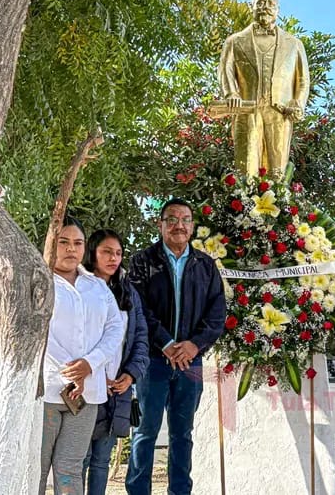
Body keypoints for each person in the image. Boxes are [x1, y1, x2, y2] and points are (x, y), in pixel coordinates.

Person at [125, 198, 226, 495]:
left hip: (190, 365)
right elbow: (138, 307)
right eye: (172, 219)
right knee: (145, 432)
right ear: (160, 224)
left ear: (192, 226)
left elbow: (217, 313)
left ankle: (180, 491)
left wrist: (195, 345)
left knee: (183, 435)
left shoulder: (206, 266)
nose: (178, 225)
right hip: (153, 363)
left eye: (184, 219)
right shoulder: (142, 261)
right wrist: (166, 343)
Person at [39, 216, 124, 495]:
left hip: (87, 395)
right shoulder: (38, 282)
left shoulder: (97, 287)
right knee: (36, 468)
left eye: (77, 243)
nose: (71, 249)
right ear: (50, 242)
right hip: (46, 392)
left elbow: (114, 328)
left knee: (70, 468)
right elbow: (38, 332)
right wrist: (71, 371)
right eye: (63, 242)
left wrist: (90, 364)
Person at [82, 229, 149, 495]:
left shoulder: (128, 292)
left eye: (118, 253)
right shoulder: (80, 288)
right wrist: (95, 376)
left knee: (101, 461)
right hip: (87, 389)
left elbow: (141, 339)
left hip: (118, 390)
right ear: (92, 253)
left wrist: (130, 375)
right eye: (106, 252)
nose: (113, 258)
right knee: (80, 459)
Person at [219, 0, 310, 177]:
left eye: (270, 4)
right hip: (247, 109)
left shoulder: (294, 44)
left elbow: (303, 79)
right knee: (246, 169)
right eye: (260, 3)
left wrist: (298, 102)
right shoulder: (235, 41)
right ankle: (243, 205)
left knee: (277, 171)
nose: (265, 7)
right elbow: (225, 69)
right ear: (252, 7)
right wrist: (231, 93)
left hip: (280, 112)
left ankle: (277, 205)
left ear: (277, 9)